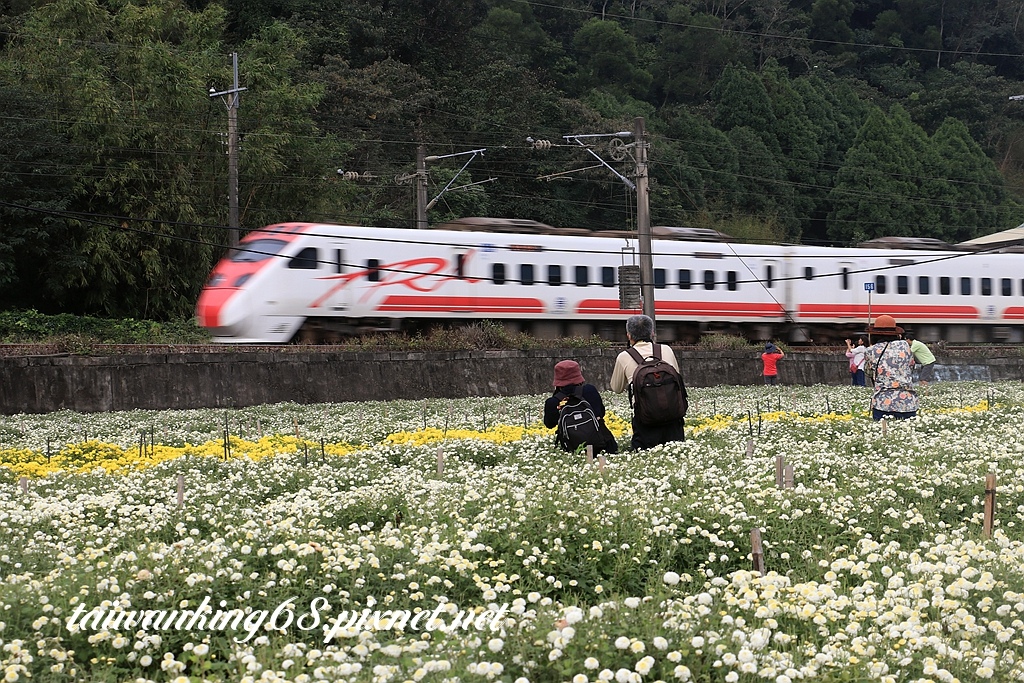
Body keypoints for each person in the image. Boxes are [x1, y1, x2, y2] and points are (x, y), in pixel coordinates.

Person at [610, 314, 685, 450]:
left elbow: (616, 388)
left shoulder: (624, 357)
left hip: (645, 421)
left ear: (629, 335)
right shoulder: (666, 349)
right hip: (673, 419)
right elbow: (677, 376)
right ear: (652, 333)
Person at [544, 360, 618, 454]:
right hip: (603, 446)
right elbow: (601, 413)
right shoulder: (590, 390)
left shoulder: (553, 402)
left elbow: (549, 424)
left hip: (572, 450)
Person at [863, 314, 918, 421]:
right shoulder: (905, 346)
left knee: (883, 436)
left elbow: (868, 372)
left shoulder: (870, 351)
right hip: (907, 402)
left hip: (882, 403)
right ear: (896, 333)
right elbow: (911, 366)